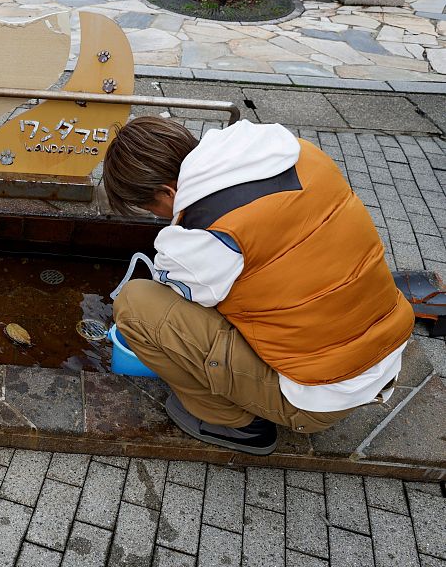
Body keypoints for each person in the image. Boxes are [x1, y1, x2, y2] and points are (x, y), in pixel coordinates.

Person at [102, 117, 414, 455]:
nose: (161, 216)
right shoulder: (297, 152)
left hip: (320, 395)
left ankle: (234, 424)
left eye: (152, 207)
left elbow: (172, 294)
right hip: (382, 349)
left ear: (168, 192)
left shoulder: (208, 231)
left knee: (136, 305)